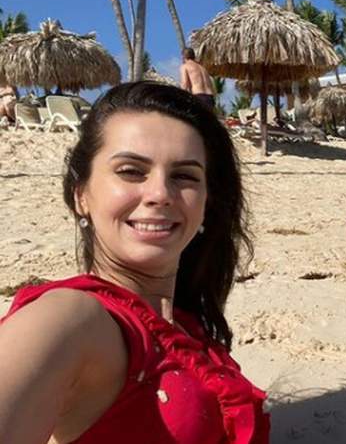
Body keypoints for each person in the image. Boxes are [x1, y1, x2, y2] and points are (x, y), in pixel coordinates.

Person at [0, 82, 269, 442]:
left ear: (206, 202)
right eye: (130, 171)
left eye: (184, 176)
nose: (160, 194)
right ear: (81, 195)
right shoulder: (70, 318)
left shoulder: (185, 323)